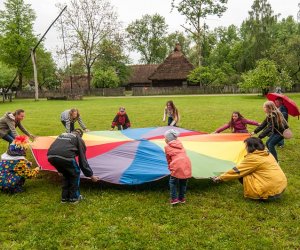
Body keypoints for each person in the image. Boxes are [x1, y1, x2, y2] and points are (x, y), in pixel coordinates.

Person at [211, 137, 287, 200]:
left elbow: (237, 171)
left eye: (246, 146)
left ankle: (259, 194)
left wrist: (220, 178)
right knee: (249, 171)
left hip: (269, 191)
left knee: (243, 174)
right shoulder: (266, 152)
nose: (245, 148)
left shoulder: (254, 158)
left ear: (250, 147)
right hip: (280, 186)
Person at [47, 128, 99, 203]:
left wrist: (59, 169)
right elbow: (82, 160)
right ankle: (74, 198)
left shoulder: (62, 135)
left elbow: (56, 150)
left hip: (50, 156)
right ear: (81, 135)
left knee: (66, 174)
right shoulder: (78, 139)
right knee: (75, 174)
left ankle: (64, 198)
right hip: (66, 157)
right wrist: (91, 176)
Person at [164, 129, 191, 205]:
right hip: (187, 163)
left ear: (168, 139)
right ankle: (182, 198)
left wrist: (170, 168)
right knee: (183, 182)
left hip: (177, 165)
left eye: (165, 138)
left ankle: (174, 199)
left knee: (173, 182)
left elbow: (169, 159)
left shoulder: (167, 147)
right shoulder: (180, 144)